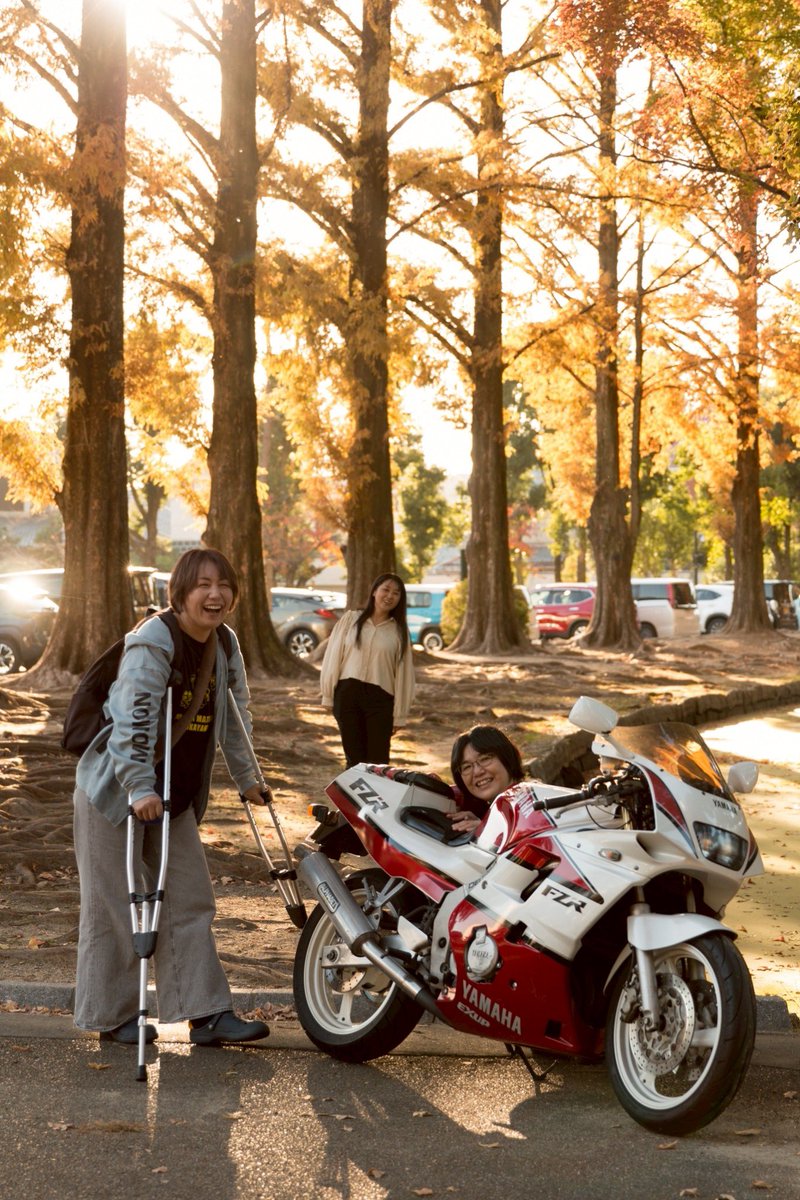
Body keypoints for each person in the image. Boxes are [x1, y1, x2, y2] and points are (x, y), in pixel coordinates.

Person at [72, 548, 270, 1047]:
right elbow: (133, 719)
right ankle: (113, 1015)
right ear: (178, 593)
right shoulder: (153, 641)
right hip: (114, 791)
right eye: (202, 584)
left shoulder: (224, 645)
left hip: (172, 797)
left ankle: (205, 1012)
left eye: (224, 584)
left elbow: (235, 717)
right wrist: (139, 785)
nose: (215, 594)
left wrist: (248, 778)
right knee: (114, 904)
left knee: (189, 897)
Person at [320, 572, 415, 768]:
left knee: (378, 763)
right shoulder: (351, 620)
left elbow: (404, 675)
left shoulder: (399, 631)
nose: (389, 596)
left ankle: (376, 800)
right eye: (385, 590)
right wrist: (328, 695)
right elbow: (333, 657)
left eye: (396, 593)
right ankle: (350, 800)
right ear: (374, 592)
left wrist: (400, 714)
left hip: (380, 700)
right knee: (354, 760)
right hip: (348, 695)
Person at [447, 724, 525, 834]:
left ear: (507, 757)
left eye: (484, 759)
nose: (477, 772)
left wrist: (489, 832)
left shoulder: (534, 804)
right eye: (467, 767)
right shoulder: (491, 811)